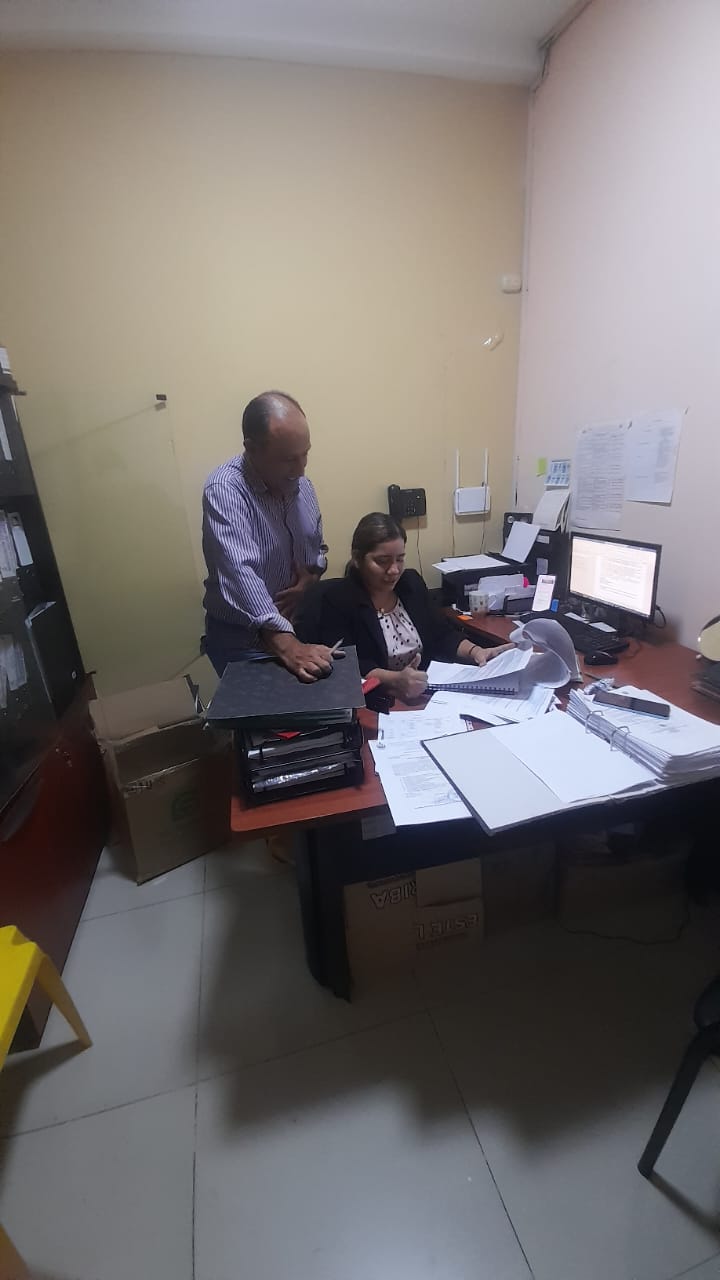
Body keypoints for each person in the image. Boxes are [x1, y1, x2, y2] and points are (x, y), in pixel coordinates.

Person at [296, 512, 511, 700]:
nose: (394, 570)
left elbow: (441, 634)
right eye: (382, 561)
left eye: (399, 559)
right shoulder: (338, 599)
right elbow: (351, 664)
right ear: (357, 559)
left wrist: (476, 651)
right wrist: (396, 680)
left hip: (427, 694)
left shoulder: (411, 584)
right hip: (378, 700)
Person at [201, 390, 334, 681]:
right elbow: (239, 573)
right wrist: (286, 644)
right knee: (270, 711)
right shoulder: (225, 489)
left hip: (297, 629)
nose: (300, 470)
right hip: (244, 640)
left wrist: (310, 578)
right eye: (288, 459)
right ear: (251, 448)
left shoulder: (302, 485)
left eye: (305, 454)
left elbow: (317, 548)